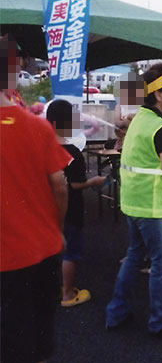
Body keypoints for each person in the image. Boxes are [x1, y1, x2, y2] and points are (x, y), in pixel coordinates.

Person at [105, 63, 162, 342]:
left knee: (135, 255)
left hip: (134, 202)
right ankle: (160, 320)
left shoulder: (141, 120)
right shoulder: (161, 127)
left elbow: (152, 165)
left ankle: (117, 311)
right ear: (159, 94)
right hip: (151, 206)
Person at [0, 34, 71, 363]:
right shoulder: (37, 126)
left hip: (7, 255)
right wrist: (54, 227)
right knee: (40, 315)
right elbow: (60, 184)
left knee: (13, 326)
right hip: (42, 246)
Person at [46, 99, 107, 307]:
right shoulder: (72, 153)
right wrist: (94, 181)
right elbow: (76, 184)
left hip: (45, 210)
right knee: (71, 252)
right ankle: (68, 294)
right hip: (70, 211)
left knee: (51, 251)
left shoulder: (41, 148)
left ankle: (51, 289)